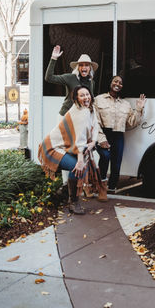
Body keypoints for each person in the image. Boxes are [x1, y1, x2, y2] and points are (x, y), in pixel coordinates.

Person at [38, 85, 104, 214]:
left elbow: (95, 126)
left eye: (87, 94)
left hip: (65, 147)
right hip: (52, 147)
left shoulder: (89, 109)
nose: (86, 97)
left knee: (80, 168)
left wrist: (93, 142)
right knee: (78, 168)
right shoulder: (81, 113)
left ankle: (60, 196)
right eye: (82, 95)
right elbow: (79, 140)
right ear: (76, 99)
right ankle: (73, 202)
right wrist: (80, 161)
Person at [95, 75, 146, 193]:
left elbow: (131, 123)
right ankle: (101, 183)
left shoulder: (126, 104)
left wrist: (139, 109)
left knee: (116, 163)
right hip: (103, 133)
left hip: (118, 135)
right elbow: (95, 121)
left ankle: (112, 187)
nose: (118, 84)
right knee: (105, 156)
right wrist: (101, 138)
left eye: (120, 83)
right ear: (110, 82)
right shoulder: (98, 99)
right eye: (115, 81)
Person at [45, 45, 97, 117]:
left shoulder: (91, 82)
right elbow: (49, 77)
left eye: (87, 65)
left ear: (90, 68)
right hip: (66, 115)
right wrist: (53, 58)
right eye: (81, 65)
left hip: (81, 117)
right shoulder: (70, 77)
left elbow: (90, 101)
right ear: (78, 68)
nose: (84, 67)